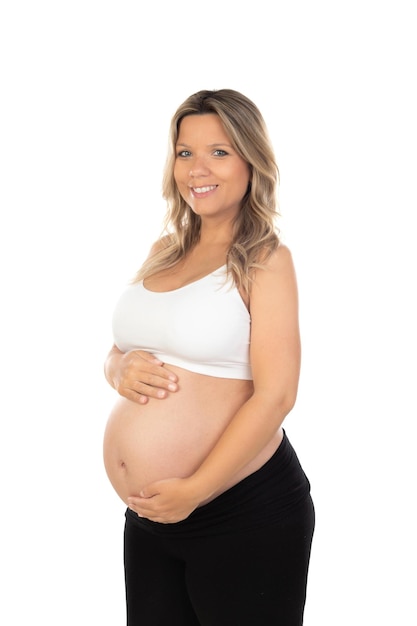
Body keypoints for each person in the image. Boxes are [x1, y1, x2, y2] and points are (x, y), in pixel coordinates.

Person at [103, 88, 315, 625]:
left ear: (251, 160)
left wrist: (195, 490)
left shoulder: (265, 260)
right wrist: (116, 367)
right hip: (151, 518)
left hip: (242, 509)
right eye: (185, 152)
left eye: (219, 151)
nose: (198, 168)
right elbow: (125, 348)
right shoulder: (164, 250)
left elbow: (277, 394)